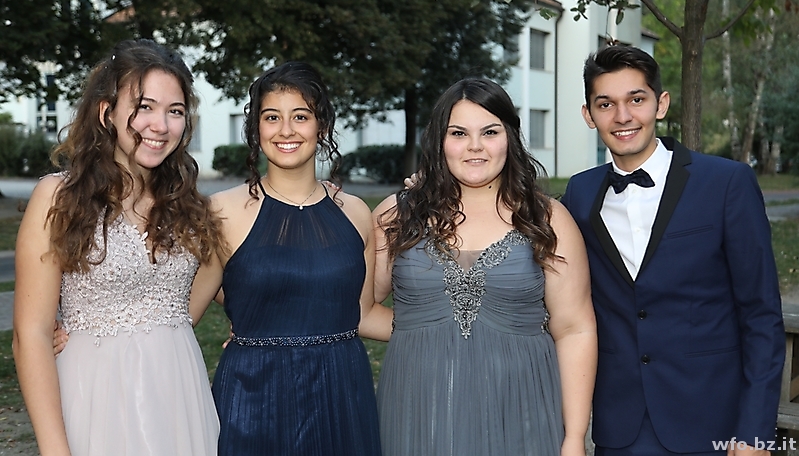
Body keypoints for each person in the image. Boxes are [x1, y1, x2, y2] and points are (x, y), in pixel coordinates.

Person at [561, 45, 785, 455]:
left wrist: (755, 431)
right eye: (606, 104)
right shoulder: (580, 192)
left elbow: (761, 314)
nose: (623, 116)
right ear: (588, 115)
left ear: (661, 104)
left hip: (713, 421)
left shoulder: (726, 183)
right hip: (620, 426)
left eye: (636, 99)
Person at [13, 39, 223, 455]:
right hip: (96, 397)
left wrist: (253, 328)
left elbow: (221, 283)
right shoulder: (59, 198)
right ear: (106, 112)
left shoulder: (188, 203)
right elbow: (30, 335)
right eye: (144, 107)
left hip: (180, 398)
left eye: (175, 111)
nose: (161, 125)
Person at [373, 77, 597, 456]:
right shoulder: (397, 216)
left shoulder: (547, 219)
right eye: (458, 133)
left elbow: (575, 329)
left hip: (521, 411)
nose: (474, 146)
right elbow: (357, 310)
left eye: (489, 132)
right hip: (421, 409)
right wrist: (423, 327)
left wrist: (574, 437)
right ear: (439, 140)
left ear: (509, 137)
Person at [188, 61, 390, 455]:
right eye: (271, 117)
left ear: (322, 127)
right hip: (253, 398)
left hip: (341, 396)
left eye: (300, 116)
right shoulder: (221, 212)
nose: (285, 130)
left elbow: (364, 314)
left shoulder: (355, 213)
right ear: (255, 129)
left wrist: (452, 326)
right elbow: (182, 312)